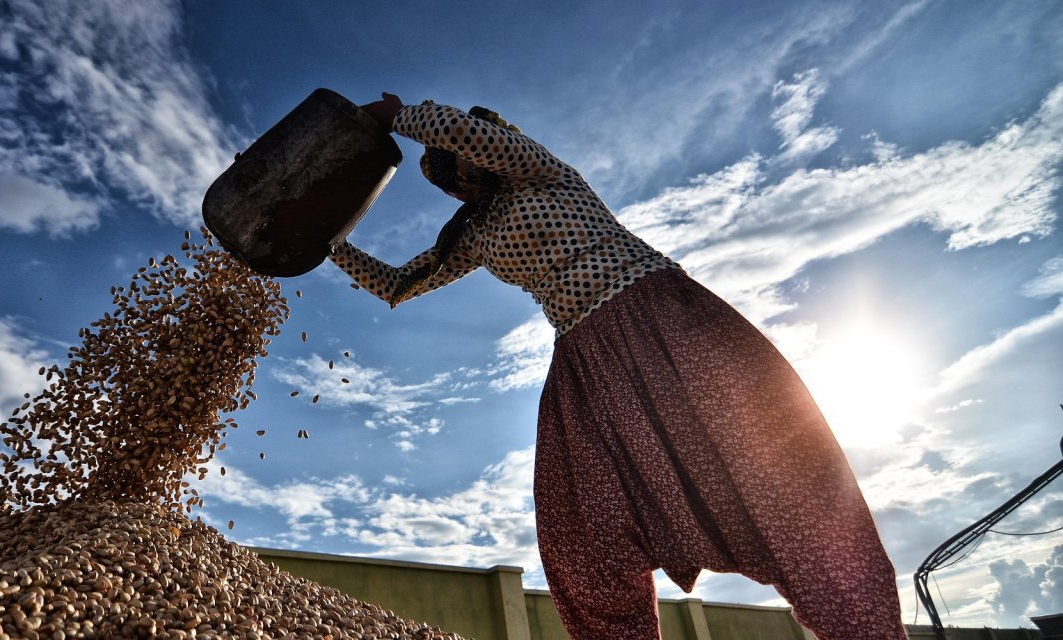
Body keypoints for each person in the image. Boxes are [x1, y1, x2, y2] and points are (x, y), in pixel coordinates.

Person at [332, 92, 906, 639]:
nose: (459, 166)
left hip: (660, 319)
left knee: (772, 470)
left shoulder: (543, 172)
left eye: (462, 151)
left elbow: (465, 132)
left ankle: (862, 627)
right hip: (584, 360)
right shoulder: (476, 234)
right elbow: (399, 284)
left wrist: (400, 113)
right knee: (579, 526)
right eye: (447, 168)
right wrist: (328, 241)